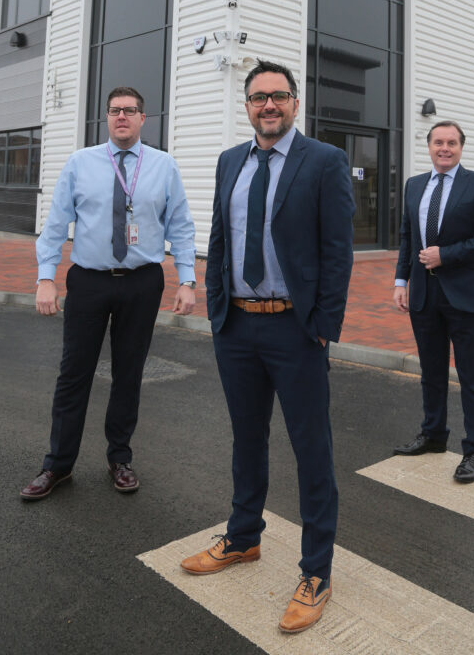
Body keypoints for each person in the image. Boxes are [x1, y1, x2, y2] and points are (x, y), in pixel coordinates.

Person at [181, 60, 354, 635]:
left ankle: (316, 572)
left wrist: (322, 325)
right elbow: (219, 240)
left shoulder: (324, 162)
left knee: (311, 450)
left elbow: (337, 251)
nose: (268, 105)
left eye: (278, 96)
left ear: (295, 104)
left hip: (294, 329)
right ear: (247, 105)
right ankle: (243, 536)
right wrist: (217, 309)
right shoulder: (231, 160)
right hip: (238, 328)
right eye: (258, 97)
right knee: (246, 438)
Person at [20, 87, 196, 501]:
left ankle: (120, 458)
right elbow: (55, 223)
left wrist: (186, 280)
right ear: (107, 117)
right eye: (115, 110)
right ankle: (57, 465)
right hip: (90, 280)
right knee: (73, 374)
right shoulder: (80, 163)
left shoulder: (164, 166)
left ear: (142, 118)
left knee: (128, 373)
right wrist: (46, 277)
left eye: (130, 110)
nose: (122, 117)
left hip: (141, 281)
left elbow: (181, 227)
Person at [393, 120, 474, 484]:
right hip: (424, 295)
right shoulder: (414, 185)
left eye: (452, 143)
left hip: (465, 296)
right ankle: (433, 435)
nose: (445, 148)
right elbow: (408, 237)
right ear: (428, 146)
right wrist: (401, 281)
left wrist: (447, 255)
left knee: (472, 377)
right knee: (432, 372)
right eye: (438, 142)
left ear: (461, 147)